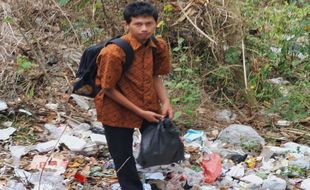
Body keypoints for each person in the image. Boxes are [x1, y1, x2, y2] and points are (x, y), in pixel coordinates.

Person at [94, 2, 173, 190]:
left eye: (149, 23)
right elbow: (108, 88)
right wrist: (140, 112)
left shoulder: (158, 46)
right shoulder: (113, 52)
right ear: (127, 25)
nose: (144, 29)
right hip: (116, 109)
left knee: (159, 146)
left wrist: (166, 102)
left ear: (156, 24)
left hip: (148, 103)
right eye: (138, 24)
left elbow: (155, 75)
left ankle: (154, 181)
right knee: (123, 158)